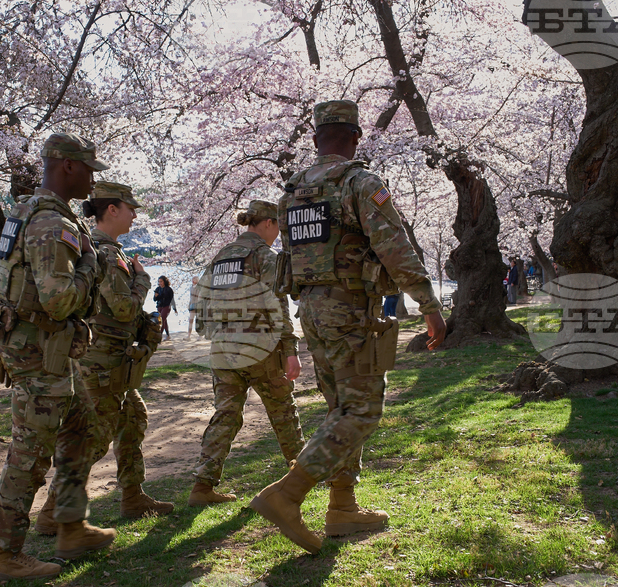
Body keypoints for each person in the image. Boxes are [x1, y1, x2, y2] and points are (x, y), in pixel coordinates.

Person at [250, 100, 445, 553]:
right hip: (350, 309)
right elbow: (393, 245)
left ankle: (342, 507)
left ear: (316, 140)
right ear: (355, 138)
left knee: (341, 406)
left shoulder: (292, 193)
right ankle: (287, 495)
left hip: (312, 311)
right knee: (362, 410)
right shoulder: (360, 182)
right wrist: (429, 304)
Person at [0, 132, 108, 581]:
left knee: (85, 429)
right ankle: (3, 554)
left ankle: (68, 525)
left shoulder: (26, 210)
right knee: (30, 451)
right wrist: (94, 265)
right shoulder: (51, 222)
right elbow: (57, 300)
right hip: (41, 350)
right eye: (89, 169)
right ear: (67, 167)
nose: (93, 180)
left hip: (39, 346)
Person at [33, 182, 173, 539]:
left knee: (133, 420)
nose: (135, 215)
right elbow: (124, 308)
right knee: (94, 439)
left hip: (113, 360)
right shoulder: (106, 253)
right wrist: (142, 281)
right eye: (130, 208)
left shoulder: (110, 251)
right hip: (101, 363)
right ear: (112, 209)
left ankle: (132, 496)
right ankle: (53, 512)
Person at [188, 200, 305, 506]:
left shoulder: (221, 257)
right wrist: (290, 349)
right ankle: (303, 474)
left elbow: (201, 302)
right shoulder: (265, 256)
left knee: (225, 415)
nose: (278, 233)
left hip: (223, 350)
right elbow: (279, 304)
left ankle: (202, 486)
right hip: (260, 349)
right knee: (283, 411)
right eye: (276, 226)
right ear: (266, 223)